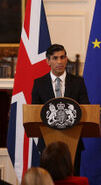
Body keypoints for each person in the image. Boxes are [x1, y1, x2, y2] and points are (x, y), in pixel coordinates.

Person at [31, 44, 89, 176]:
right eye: (55, 58)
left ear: (66, 59)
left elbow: (86, 108)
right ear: (48, 61)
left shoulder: (78, 82)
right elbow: (34, 112)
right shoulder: (39, 83)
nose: (59, 61)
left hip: (73, 140)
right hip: (47, 143)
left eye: (62, 57)